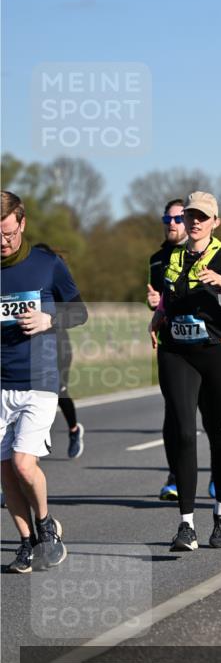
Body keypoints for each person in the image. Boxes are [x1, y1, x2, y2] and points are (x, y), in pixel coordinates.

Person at [149, 191, 221, 551]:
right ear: (183, 219)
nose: (195, 221)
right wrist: (157, 318)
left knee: (218, 436)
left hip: (219, 355)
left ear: (215, 222)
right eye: (190, 215)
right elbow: (170, 297)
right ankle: (186, 525)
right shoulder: (169, 258)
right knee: (184, 432)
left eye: (203, 216)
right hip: (176, 353)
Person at [1, 191, 87, 573]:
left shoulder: (46, 263)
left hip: (39, 379)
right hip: (0, 382)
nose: (3, 242)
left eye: (8, 233)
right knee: (5, 472)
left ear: (22, 223)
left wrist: (50, 321)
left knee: (22, 464)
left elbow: (79, 311)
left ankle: (46, 524)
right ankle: (26, 541)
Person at [147, 199, 188, 501]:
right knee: (173, 414)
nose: (171, 224)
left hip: (204, 344)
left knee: (210, 414)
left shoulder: (205, 253)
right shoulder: (156, 259)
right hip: (171, 344)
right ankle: (175, 475)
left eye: (177, 219)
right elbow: (157, 300)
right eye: (167, 218)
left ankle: (215, 471)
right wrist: (154, 306)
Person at [33, 245, 84, 458]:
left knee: (58, 392)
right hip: (30, 348)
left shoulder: (58, 284)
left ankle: (74, 430)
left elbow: (77, 313)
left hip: (58, 346)